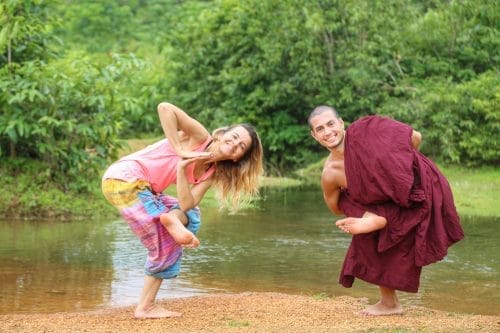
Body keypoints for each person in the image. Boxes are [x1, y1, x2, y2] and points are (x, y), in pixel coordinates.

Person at [102, 102, 263, 319]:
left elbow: (187, 204)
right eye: (234, 136)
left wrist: (181, 168)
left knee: (193, 215)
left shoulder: (212, 173)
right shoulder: (199, 137)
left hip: (144, 189)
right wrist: (179, 150)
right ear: (222, 134)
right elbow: (164, 108)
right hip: (125, 178)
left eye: (241, 146)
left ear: (238, 158)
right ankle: (146, 307)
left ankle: (171, 220)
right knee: (166, 242)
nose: (235, 143)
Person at [308, 105, 464, 316]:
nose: (327, 132)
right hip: (386, 205)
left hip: (418, 186)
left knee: (373, 220)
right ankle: (389, 303)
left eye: (330, 124)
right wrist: (364, 209)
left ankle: (377, 218)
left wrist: (393, 169)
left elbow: (415, 137)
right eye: (320, 129)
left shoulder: (367, 129)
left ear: (342, 123)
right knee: (363, 227)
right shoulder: (330, 172)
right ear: (314, 135)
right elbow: (335, 207)